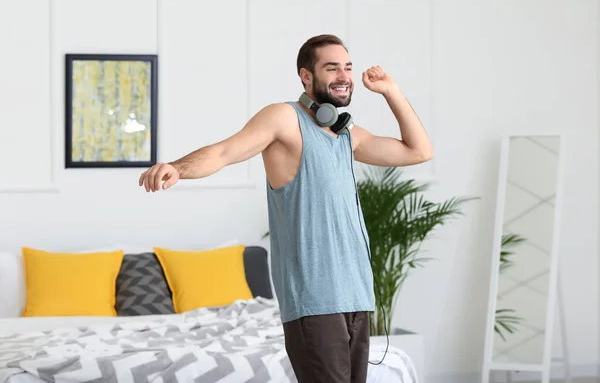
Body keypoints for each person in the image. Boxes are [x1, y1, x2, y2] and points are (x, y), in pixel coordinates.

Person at [138, 34, 434, 383]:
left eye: (348, 67)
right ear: (306, 76)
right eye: (331, 67)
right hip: (315, 299)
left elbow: (419, 151)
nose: (344, 76)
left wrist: (391, 91)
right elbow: (224, 152)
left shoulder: (347, 136)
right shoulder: (284, 119)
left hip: (356, 297)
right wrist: (177, 167)